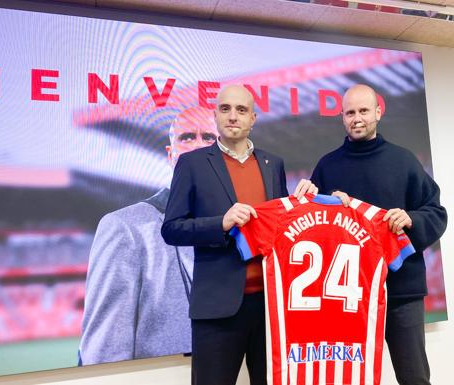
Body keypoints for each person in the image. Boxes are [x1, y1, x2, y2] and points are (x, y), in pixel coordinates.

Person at [161, 84, 317, 385]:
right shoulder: (191, 163)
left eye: (241, 110)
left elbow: (282, 227)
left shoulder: (273, 164)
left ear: (253, 118)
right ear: (215, 116)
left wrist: (304, 201)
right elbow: (171, 228)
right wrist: (221, 222)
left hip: (272, 309)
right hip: (218, 310)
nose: (233, 116)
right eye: (225, 109)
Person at [311, 84, 447, 385]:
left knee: (414, 378)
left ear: (378, 112)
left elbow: (437, 213)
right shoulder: (326, 167)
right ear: (342, 118)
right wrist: (330, 207)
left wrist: (411, 219)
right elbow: (312, 228)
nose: (356, 118)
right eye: (349, 113)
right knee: (347, 378)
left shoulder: (404, 161)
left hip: (402, 292)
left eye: (363, 111)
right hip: (347, 295)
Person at [79, 107, 218, 365]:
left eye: (209, 137)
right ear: (170, 155)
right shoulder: (124, 227)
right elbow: (104, 353)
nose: (199, 145)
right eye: (187, 137)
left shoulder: (243, 226)